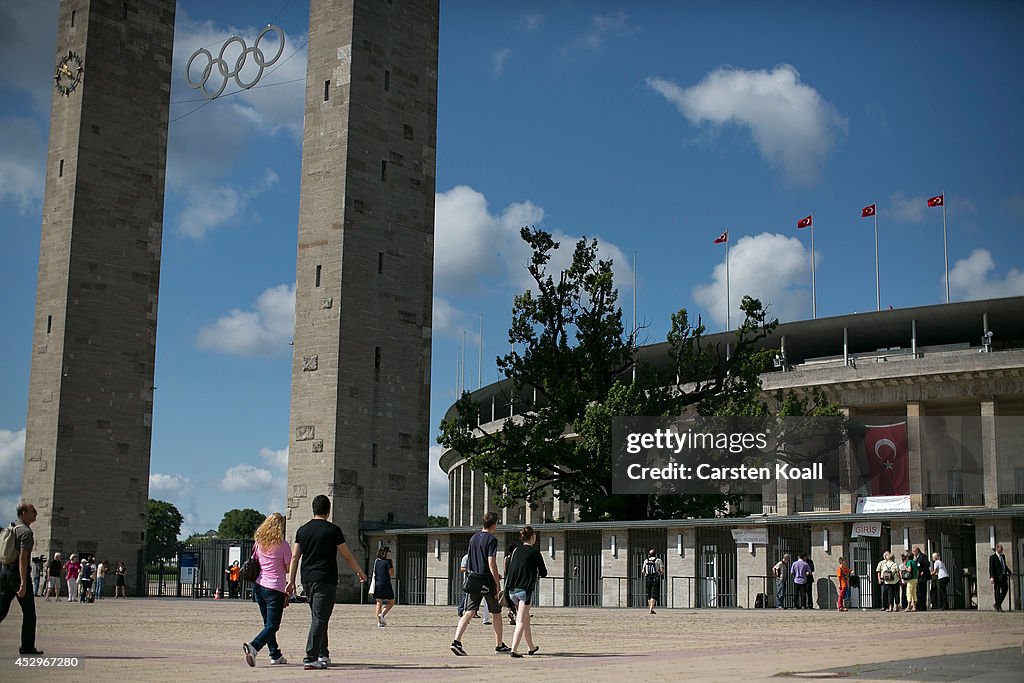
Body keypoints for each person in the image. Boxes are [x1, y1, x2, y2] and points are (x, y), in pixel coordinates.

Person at [285, 494, 367, 670]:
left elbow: (295, 556)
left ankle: (323, 653)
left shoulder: (302, 530)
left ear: (313, 509)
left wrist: (291, 580)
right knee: (320, 618)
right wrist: (359, 572)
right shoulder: (333, 530)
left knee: (318, 617)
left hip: (306, 579)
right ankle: (310, 657)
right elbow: (346, 555)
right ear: (328, 511)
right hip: (326, 579)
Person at [450, 511, 508, 656]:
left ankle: (456, 641)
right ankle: (499, 645)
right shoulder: (491, 539)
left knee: (469, 611)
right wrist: (497, 582)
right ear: (494, 524)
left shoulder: (473, 538)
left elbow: (472, 560)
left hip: (473, 579)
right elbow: (491, 562)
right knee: (496, 612)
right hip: (487, 580)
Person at [242, 512, 292, 667]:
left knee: (268, 624)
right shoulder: (283, 545)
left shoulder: (258, 543)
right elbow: (289, 567)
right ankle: (254, 646)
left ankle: (275, 654)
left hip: (259, 586)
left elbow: (256, 562)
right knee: (273, 625)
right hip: (275, 588)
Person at [0, 502, 43, 655]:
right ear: (24, 513)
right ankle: (27, 647)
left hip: (4, 572)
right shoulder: (26, 532)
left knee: (1, 610)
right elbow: (23, 558)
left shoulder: (10, 528)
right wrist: (24, 582)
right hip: (18, 575)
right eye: (33, 511)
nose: (36, 514)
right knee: (29, 613)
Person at [505, 525, 547, 658]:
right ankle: (514, 649)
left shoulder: (516, 551)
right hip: (524, 591)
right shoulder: (534, 552)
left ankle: (531, 647)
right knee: (521, 621)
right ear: (533, 537)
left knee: (525, 618)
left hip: (512, 590)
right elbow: (544, 572)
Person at [371, 546, 395, 627]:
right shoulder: (388, 562)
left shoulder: (377, 561)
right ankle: (382, 614)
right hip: (386, 583)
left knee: (378, 603)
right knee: (391, 601)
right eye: (388, 551)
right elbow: (391, 573)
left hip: (377, 583)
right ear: (385, 552)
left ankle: (379, 622)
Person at [988, 544, 1011, 612]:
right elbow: (991, 568)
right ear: (997, 549)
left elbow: (1004, 565)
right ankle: (999, 607)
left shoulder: (1003, 556)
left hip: (1003, 576)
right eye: (1001, 549)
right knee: (997, 591)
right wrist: (991, 577)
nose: (1002, 550)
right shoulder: (993, 557)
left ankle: (997, 604)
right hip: (997, 577)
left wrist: (1009, 572)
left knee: (1005, 589)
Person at [641, 548, 664, 614]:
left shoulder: (646, 560)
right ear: (655, 554)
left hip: (648, 578)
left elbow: (643, 570)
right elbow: (662, 570)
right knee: (654, 594)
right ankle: (651, 609)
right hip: (655, 578)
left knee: (649, 594)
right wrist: (660, 574)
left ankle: (651, 608)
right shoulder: (658, 560)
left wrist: (646, 574)